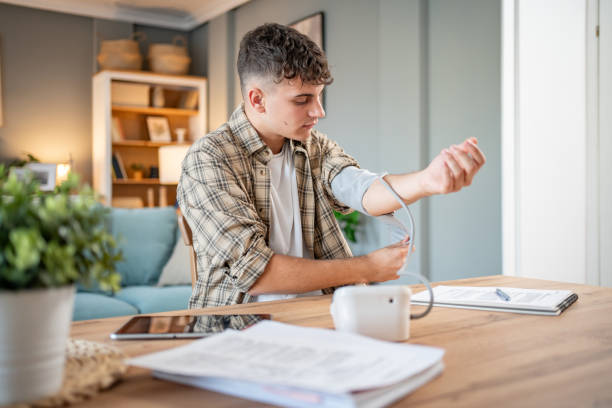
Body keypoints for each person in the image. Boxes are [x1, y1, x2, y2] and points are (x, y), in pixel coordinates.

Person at [177, 23, 485, 309]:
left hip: (323, 316)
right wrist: (368, 268)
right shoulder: (209, 158)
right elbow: (255, 273)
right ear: (257, 100)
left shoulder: (314, 147)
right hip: (238, 331)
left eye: (320, 97)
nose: (319, 111)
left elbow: (362, 189)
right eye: (303, 100)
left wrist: (427, 181)